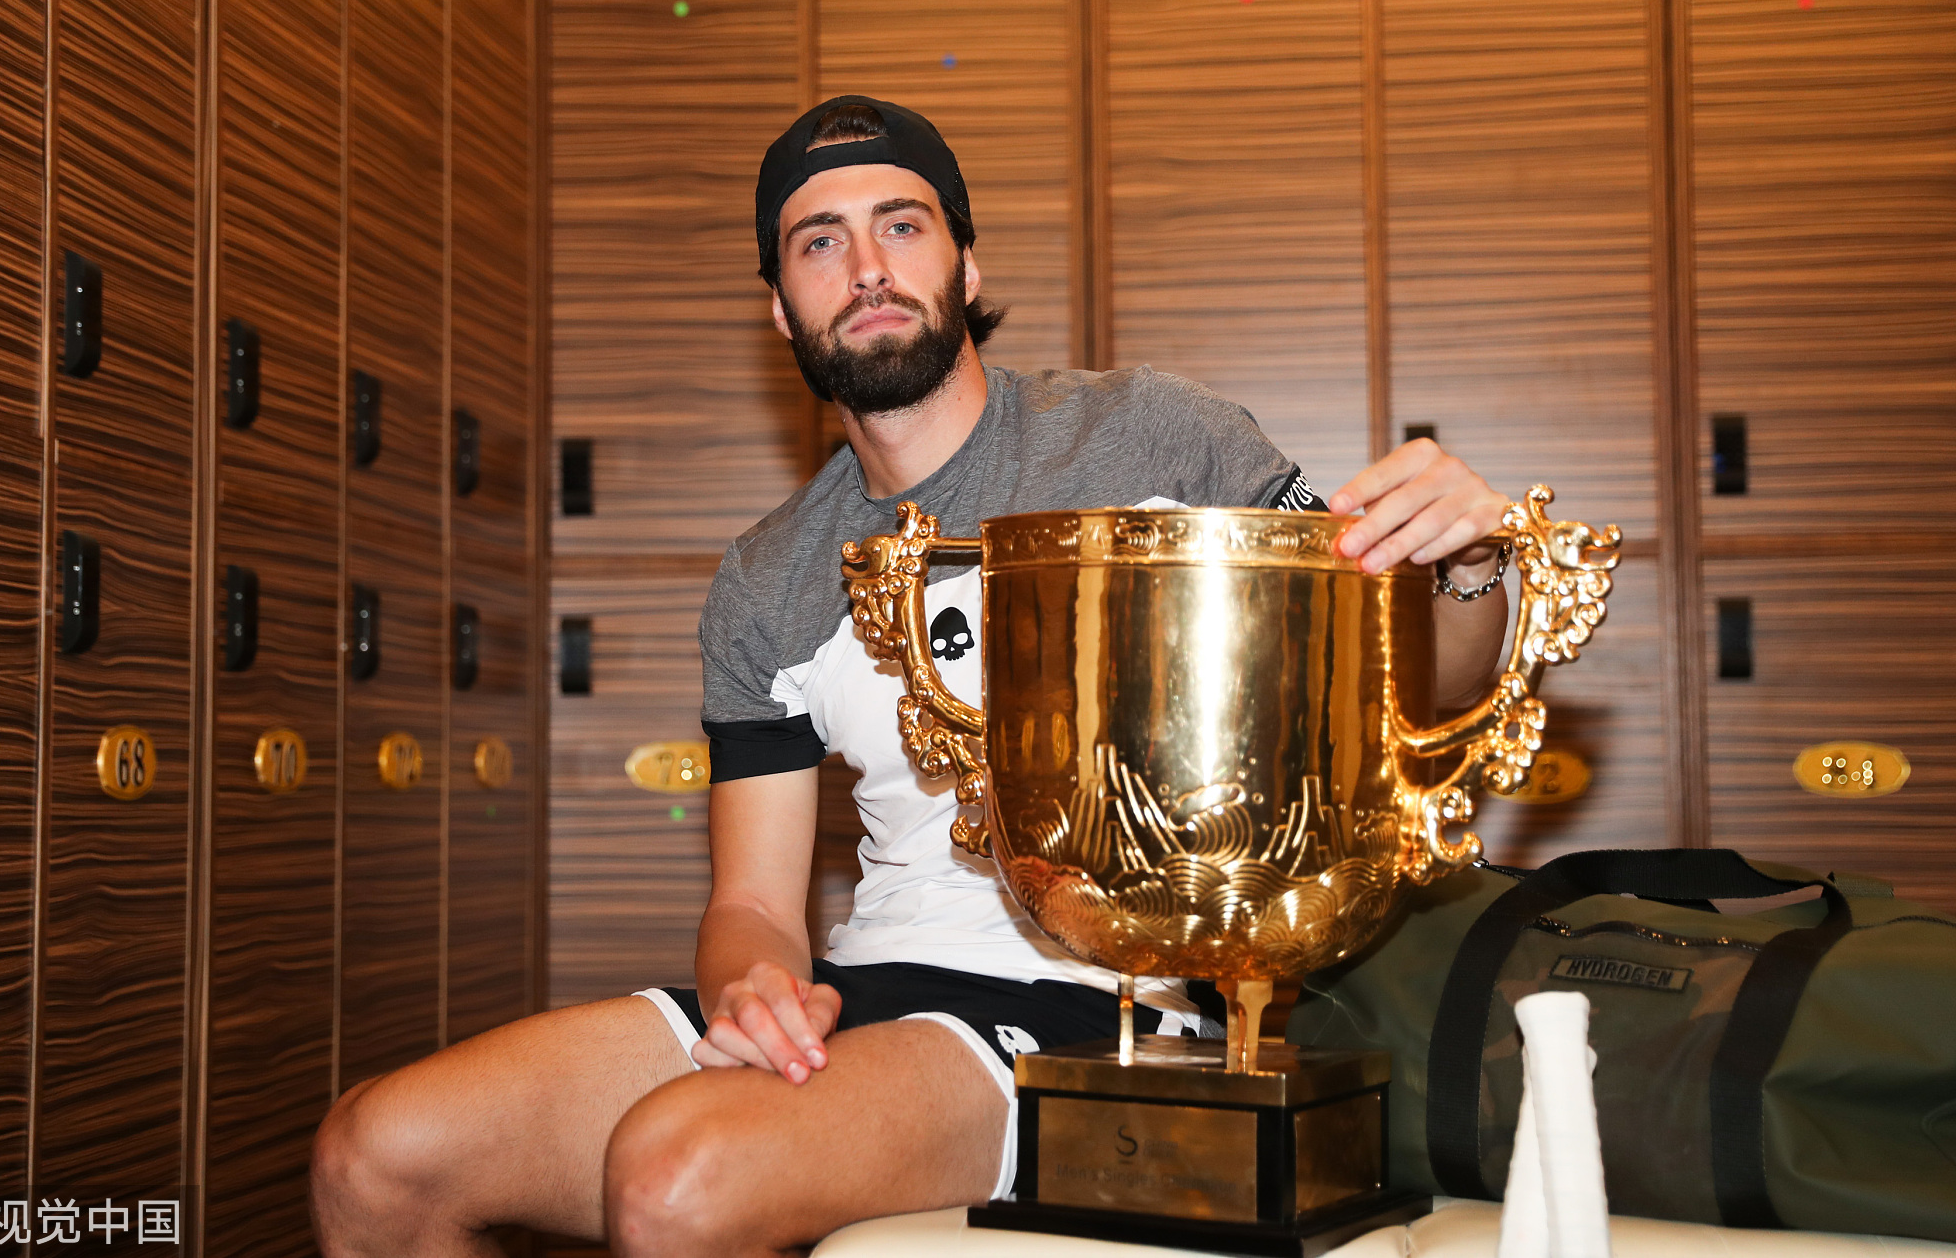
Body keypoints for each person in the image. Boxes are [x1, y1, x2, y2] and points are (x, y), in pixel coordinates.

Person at [310, 96, 1513, 1257]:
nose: (866, 266)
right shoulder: (767, 576)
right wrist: (756, 992)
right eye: (818, 241)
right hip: (865, 982)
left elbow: (1413, 689)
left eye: (901, 224)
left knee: (676, 1180)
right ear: (780, 307)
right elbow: (753, 903)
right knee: (375, 1159)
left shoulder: (1154, 435)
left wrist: (1461, 570)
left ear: (963, 265)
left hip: (1096, 999)